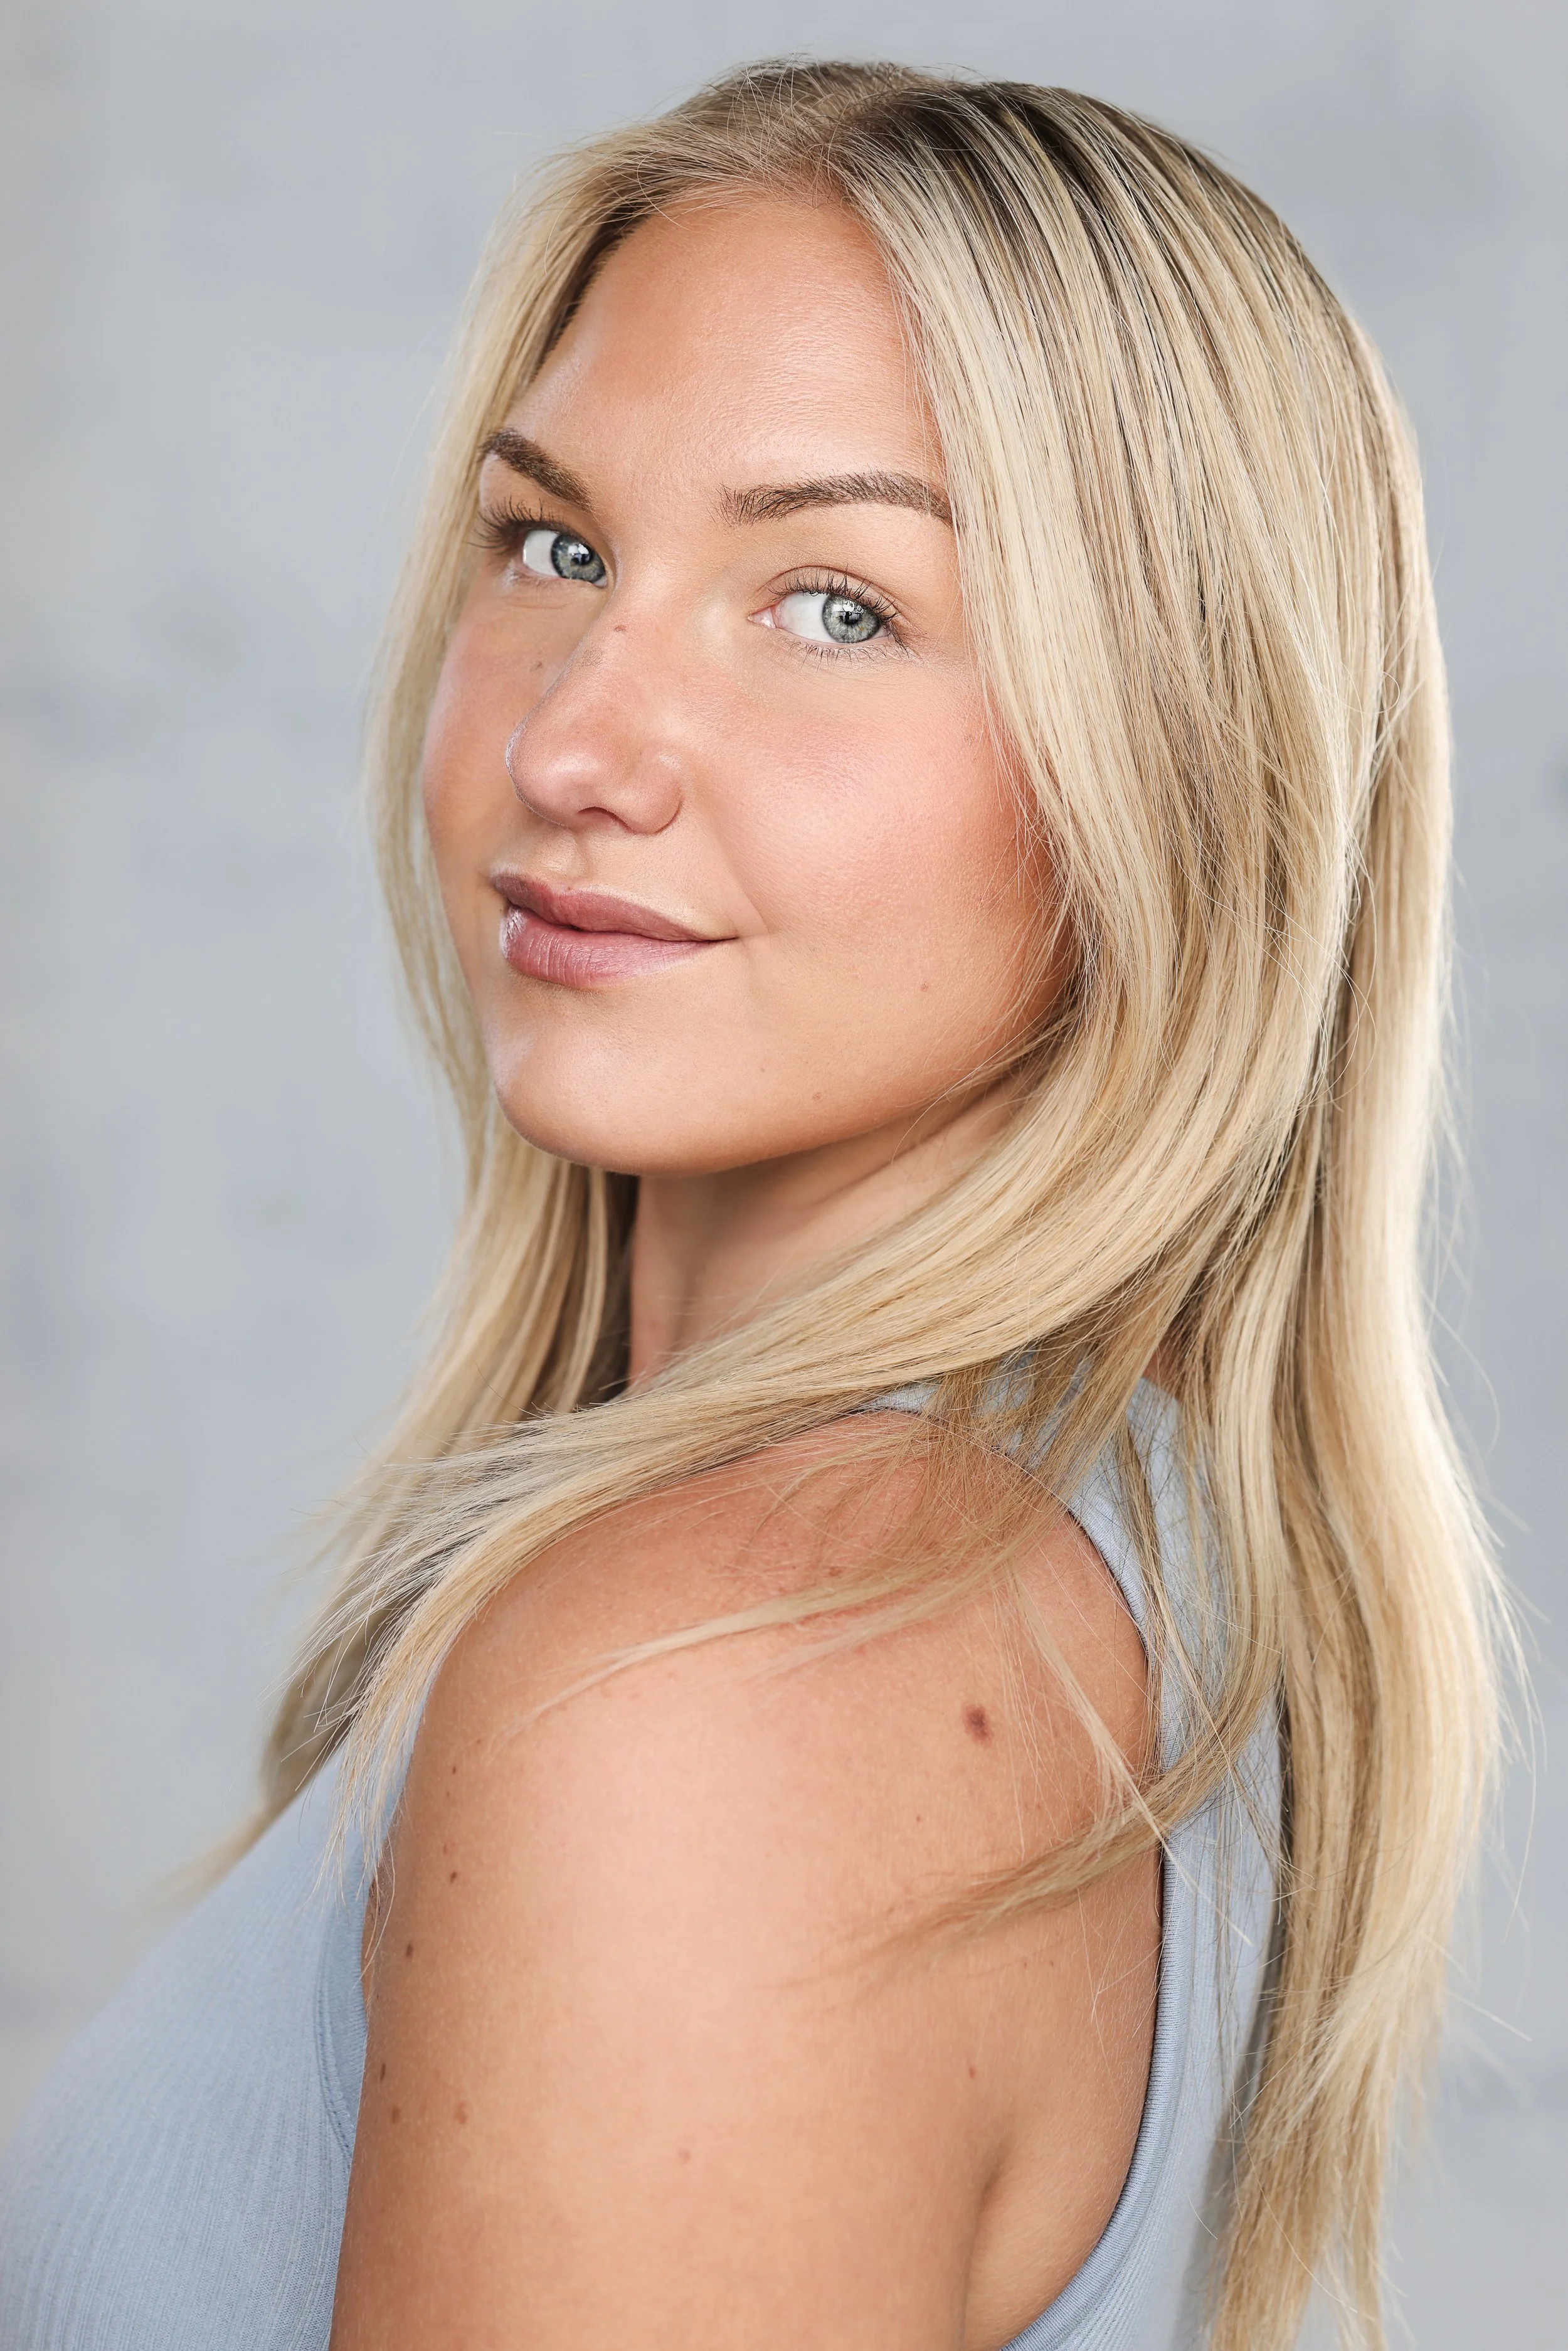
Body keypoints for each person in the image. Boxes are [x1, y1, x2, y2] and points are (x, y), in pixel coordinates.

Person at [0, 59, 1507, 2351]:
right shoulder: (1060, 1584)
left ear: (1171, 771)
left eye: (831, 606)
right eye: (555, 546)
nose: (570, 745)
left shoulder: (727, 1688)